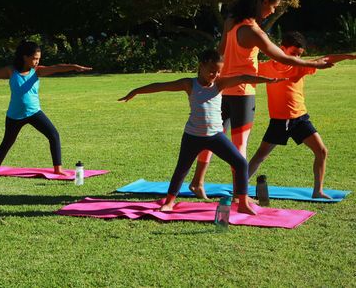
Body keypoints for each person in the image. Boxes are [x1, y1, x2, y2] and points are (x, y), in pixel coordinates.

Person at [190, 0, 335, 199]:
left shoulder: (230, 21)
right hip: (242, 93)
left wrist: (209, 76)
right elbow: (282, 57)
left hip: (221, 89)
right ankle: (241, 193)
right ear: (263, 2)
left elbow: (219, 52)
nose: (273, 11)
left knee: (211, 136)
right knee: (240, 145)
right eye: (273, 6)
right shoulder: (253, 30)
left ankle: (198, 182)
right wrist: (315, 64)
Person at [118, 49, 285, 214]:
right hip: (192, 136)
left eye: (219, 71)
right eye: (212, 71)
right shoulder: (189, 84)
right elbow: (161, 86)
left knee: (240, 163)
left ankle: (242, 202)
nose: (215, 74)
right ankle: (169, 202)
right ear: (201, 66)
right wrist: (136, 91)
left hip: (215, 136)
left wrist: (267, 80)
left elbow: (243, 77)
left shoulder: (220, 83)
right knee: (182, 168)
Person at [249, 31, 356, 198]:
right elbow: (244, 67)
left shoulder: (300, 66)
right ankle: (239, 187)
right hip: (279, 121)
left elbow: (325, 59)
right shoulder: (266, 67)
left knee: (321, 151)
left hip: (300, 119)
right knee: (260, 156)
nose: (297, 57)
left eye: (299, 55)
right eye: (293, 53)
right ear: (282, 49)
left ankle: (317, 191)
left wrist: (347, 56)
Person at [0, 40, 91, 175]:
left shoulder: (37, 71)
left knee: (53, 135)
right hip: (14, 115)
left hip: (34, 112)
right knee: (7, 141)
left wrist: (74, 66)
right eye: (34, 58)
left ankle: (58, 169)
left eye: (38, 59)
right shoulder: (11, 71)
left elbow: (57, 67)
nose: (37, 61)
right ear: (25, 57)